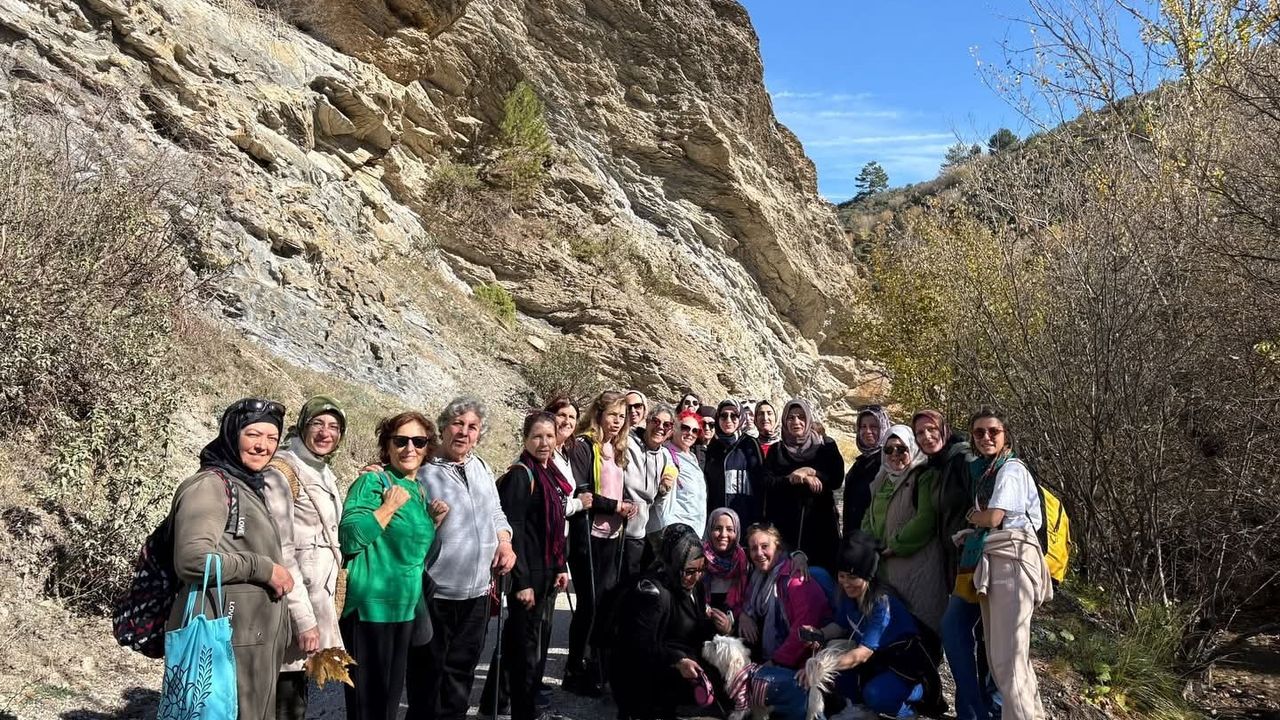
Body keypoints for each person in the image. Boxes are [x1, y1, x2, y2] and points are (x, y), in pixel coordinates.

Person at [166, 398, 293, 720]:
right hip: (224, 638)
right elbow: (193, 560)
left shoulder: (247, 485)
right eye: (253, 434)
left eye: (272, 438)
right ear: (232, 434)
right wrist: (263, 568)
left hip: (247, 639)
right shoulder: (210, 485)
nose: (263, 446)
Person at [411, 397, 516, 720]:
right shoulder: (422, 471)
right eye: (457, 423)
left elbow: (496, 512)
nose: (464, 432)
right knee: (426, 679)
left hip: (478, 593)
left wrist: (504, 542)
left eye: (472, 427)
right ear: (443, 427)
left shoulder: (480, 466)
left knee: (461, 676)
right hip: (436, 593)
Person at [339, 410, 448, 720]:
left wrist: (433, 522)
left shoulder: (418, 489)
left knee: (387, 707)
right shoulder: (372, 482)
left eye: (418, 441)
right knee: (369, 709)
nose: (409, 448)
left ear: (428, 447)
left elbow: (411, 554)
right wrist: (387, 507)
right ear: (387, 446)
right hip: (371, 610)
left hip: (404, 609)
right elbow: (350, 538)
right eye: (400, 441)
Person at [262, 396, 348, 720]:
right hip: (292, 602)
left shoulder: (321, 468)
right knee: (284, 698)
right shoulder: (284, 470)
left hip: (315, 598)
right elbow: (281, 550)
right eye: (318, 424)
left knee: (297, 694)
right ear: (302, 425)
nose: (326, 433)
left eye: (334, 426)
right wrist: (304, 619)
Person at [482, 413, 573, 720]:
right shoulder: (522, 476)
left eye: (549, 436)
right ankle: (525, 711)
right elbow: (514, 531)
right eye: (537, 436)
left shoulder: (549, 474)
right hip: (528, 576)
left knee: (516, 642)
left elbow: (554, 528)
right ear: (525, 439)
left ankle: (492, 704)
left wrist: (560, 566)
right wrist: (521, 583)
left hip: (545, 571)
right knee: (525, 650)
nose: (544, 443)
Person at [962, 409, 1050, 720]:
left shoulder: (1010, 469)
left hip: (1011, 561)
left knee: (1007, 660)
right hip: (1001, 558)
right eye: (979, 432)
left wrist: (972, 517)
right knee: (1012, 658)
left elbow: (994, 517)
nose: (986, 437)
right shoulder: (991, 471)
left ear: (1006, 435)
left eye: (993, 431)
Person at [798, 534, 944, 719]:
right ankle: (862, 707)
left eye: (852, 577)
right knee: (837, 679)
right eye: (842, 576)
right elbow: (841, 625)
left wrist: (823, 666)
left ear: (868, 576)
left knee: (875, 694)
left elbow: (861, 654)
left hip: (906, 667)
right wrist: (819, 633)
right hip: (877, 662)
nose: (846, 583)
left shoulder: (882, 604)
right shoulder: (849, 596)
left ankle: (907, 710)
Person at [608, 523, 732, 720]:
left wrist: (720, 627)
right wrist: (677, 661)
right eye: (689, 571)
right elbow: (637, 646)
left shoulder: (694, 586)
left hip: (676, 663)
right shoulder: (651, 593)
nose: (696, 577)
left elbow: (692, 628)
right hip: (643, 673)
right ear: (674, 564)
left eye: (702, 569)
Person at [563, 390, 639, 695]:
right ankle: (574, 669)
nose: (617, 421)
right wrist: (616, 506)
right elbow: (584, 493)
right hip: (588, 537)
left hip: (612, 536)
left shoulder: (616, 449)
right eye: (612, 415)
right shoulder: (584, 446)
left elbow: (615, 487)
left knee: (605, 605)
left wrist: (627, 504)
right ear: (598, 415)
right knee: (589, 606)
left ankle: (594, 666)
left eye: (621, 416)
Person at [861, 425, 948, 637]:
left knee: (921, 625)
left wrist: (895, 545)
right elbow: (869, 516)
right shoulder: (882, 479)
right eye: (889, 449)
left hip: (917, 566)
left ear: (912, 448)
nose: (895, 455)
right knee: (892, 628)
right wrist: (869, 544)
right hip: (885, 567)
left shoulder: (923, 476)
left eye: (901, 449)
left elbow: (926, 519)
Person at [762, 399, 844, 571]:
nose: (796, 422)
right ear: (784, 421)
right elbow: (767, 482)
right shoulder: (777, 450)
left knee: (822, 578)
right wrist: (792, 478)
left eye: (801, 417)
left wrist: (812, 472)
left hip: (821, 528)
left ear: (808, 419)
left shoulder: (825, 446)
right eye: (791, 417)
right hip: (786, 528)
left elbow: (836, 479)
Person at [739, 524, 830, 668]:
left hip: (804, 662)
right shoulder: (758, 577)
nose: (759, 553)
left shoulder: (795, 578)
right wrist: (744, 615)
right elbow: (744, 602)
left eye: (765, 546)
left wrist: (776, 662)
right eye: (754, 548)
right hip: (772, 657)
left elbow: (803, 630)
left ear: (778, 548)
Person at [623, 403, 678, 579]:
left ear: (671, 431)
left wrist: (665, 485)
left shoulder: (664, 456)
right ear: (647, 422)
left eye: (667, 424)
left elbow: (660, 494)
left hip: (639, 533)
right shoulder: (627, 443)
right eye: (656, 421)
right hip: (617, 530)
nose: (660, 427)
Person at [704, 399, 766, 531]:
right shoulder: (713, 447)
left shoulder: (750, 444)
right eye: (723, 415)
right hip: (718, 522)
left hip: (746, 520)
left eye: (734, 416)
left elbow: (760, 483)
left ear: (741, 418)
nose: (728, 420)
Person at [842, 406, 891, 541]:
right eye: (863, 427)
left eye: (873, 426)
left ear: (883, 428)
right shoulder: (859, 464)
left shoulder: (889, 461)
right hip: (854, 542)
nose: (867, 431)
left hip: (877, 542)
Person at [663, 410, 709, 535]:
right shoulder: (665, 454)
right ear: (674, 428)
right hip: (676, 529)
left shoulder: (693, 457)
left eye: (695, 431)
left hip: (696, 528)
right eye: (685, 428)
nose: (690, 433)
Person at [702, 508, 750, 617]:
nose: (723, 534)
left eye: (729, 529)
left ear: (737, 532)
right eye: (717, 528)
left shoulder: (745, 561)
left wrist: (730, 621)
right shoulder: (698, 560)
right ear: (709, 530)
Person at [694, 404, 717, 469]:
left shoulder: (721, 449)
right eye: (703, 424)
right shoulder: (689, 448)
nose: (707, 428)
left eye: (711, 424)